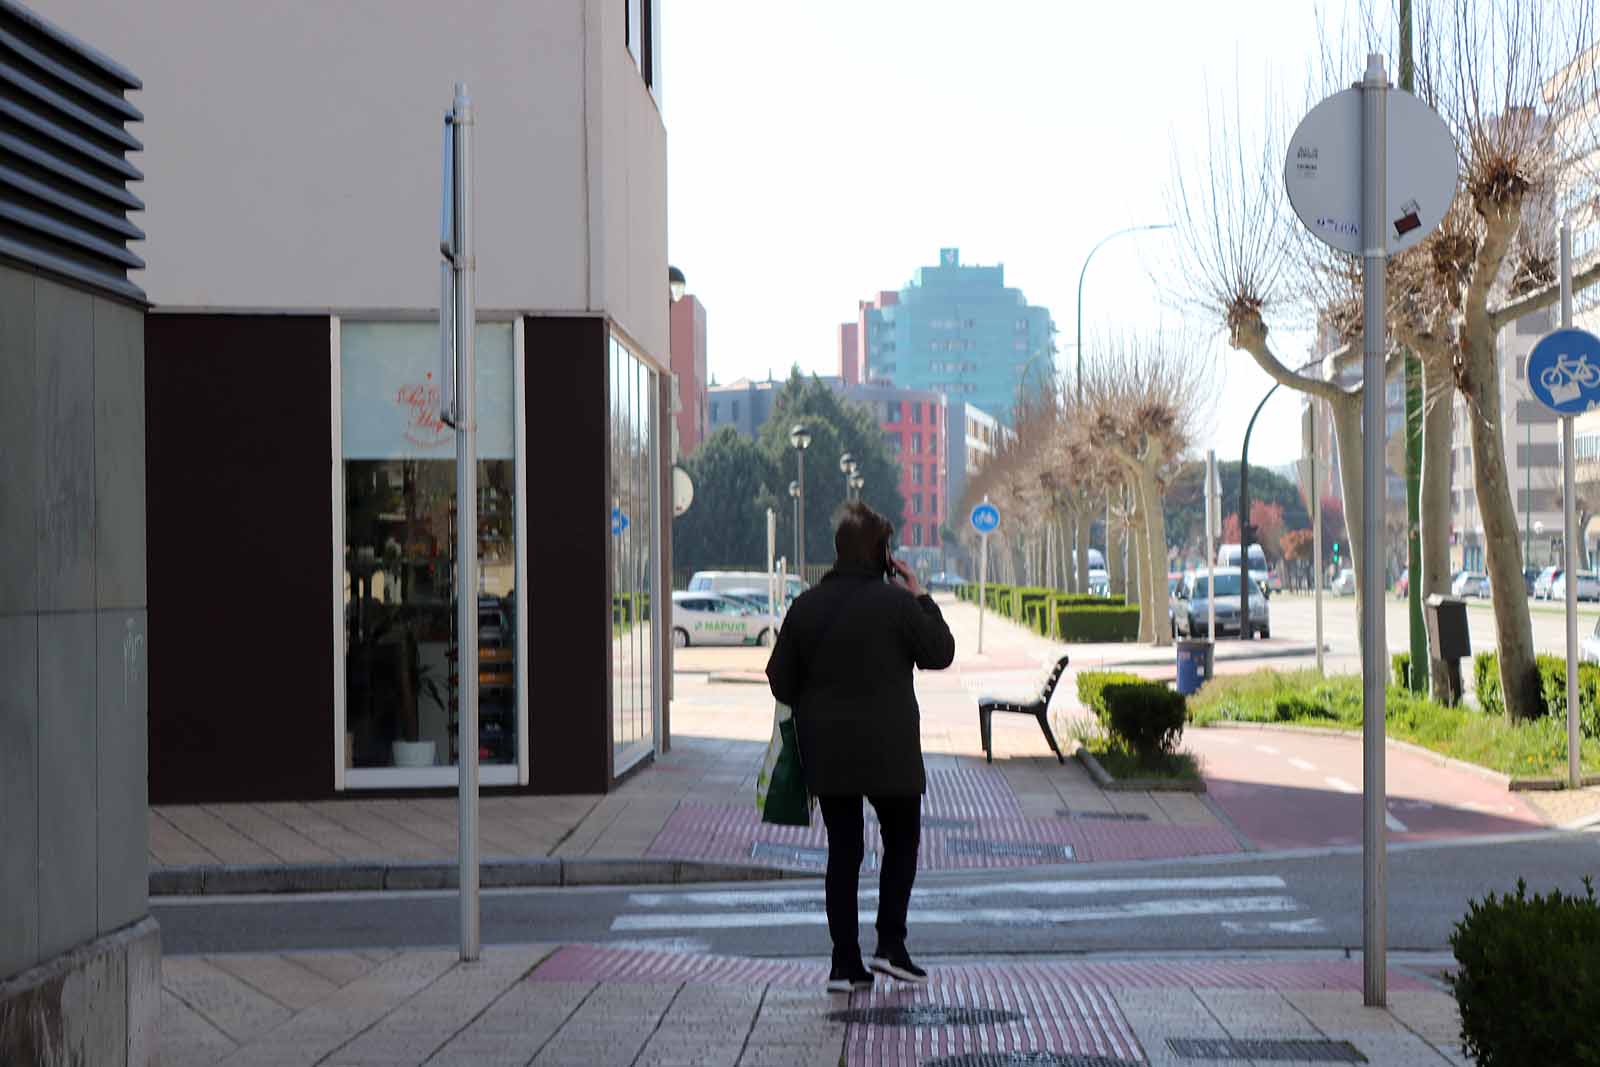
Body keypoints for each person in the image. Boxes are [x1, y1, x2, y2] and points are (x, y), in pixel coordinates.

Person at [765, 501, 956, 992]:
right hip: (890, 753)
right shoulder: (897, 606)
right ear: (884, 555)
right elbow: (940, 653)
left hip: (828, 755)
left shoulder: (806, 606)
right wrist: (920, 596)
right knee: (901, 842)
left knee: (843, 852)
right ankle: (890, 944)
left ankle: (844, 964)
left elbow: (779, 681)